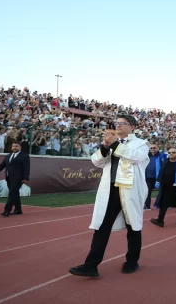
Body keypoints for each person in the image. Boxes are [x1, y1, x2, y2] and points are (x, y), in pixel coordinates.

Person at [69, 115, 150, 278]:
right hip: (111, 191)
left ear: (132, 126)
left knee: (133, 226)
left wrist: (114, 143)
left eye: (122, 123)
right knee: (101, 227)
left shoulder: (141, 144)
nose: (118, 126)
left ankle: (132, 261)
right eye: (117, 123)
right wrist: (105, 146)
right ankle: (91, 265)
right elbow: (96, 161)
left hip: (130, 191)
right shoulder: (113, 144)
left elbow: (135, 157)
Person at [150, 147, 176, 227]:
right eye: (170, 152)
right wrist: (158, 181)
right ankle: (160, 220)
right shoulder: (165, 162)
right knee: (163, 203)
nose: (171, 154)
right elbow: (161, 172)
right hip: (166, 187)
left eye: (173, 152)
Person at [0, 141, 30, 216]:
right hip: (9, 178)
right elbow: (1, 166)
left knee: (11, 194)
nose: (14, 148)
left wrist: (25, 178)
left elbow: (26, 168)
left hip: (18, 179)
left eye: (16, 146)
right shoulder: (8, 156)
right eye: (13, 146)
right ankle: (18, 209)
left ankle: (6, 211)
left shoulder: (24, 156)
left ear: (20, 147)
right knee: (15, 194)